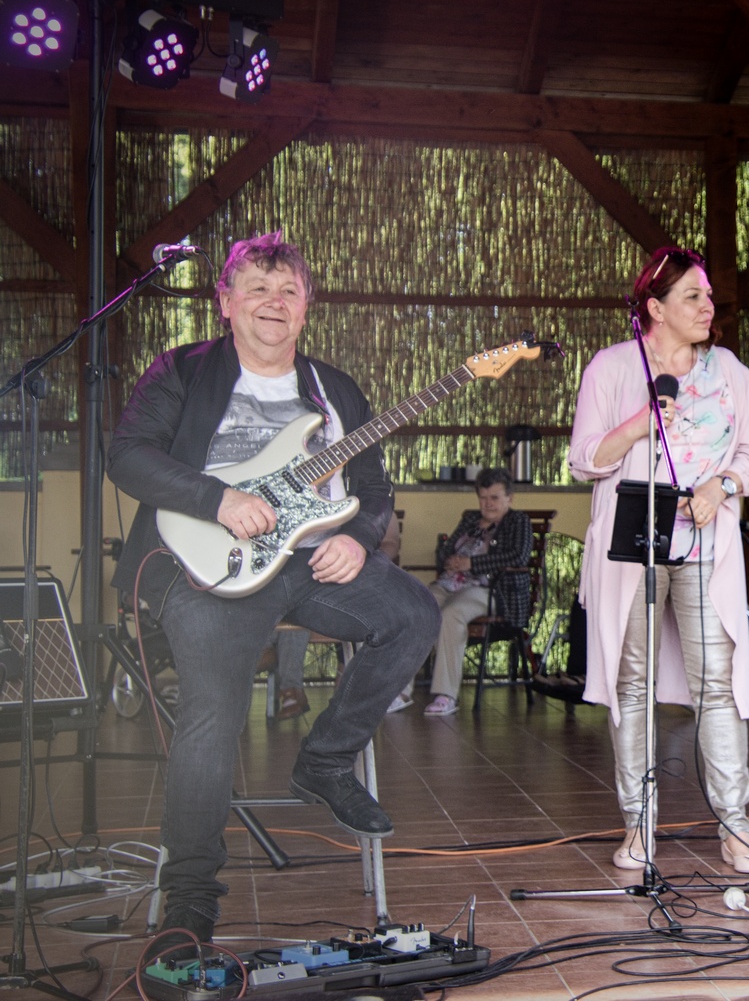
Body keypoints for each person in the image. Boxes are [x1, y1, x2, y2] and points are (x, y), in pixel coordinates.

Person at [107, 232, 439, 942]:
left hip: (312, 562)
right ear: (225, 302)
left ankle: (325, 760)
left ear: (307, 307)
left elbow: (374, 486)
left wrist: (358, 537)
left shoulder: (334, 389)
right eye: (256, 287)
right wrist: (218, 500)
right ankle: (190, 898)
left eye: (289, 290)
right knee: (212, 714)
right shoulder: (183, 371)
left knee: (413, 613)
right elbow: (128, 456)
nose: (273, 301)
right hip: (210, 562)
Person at [568, 247, 749, 876]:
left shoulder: (729, 371)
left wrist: (723, 485)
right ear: (655, 309)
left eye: (708, 295)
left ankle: (736, 827)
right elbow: (584, 460)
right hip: (632, 545)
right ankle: (638, 826)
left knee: (717, 682)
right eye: (693, 296)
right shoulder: (610, 367)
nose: (708, 306)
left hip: (706, 543)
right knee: (632, 685)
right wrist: (638, 424)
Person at [393, 468, 532, 716]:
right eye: (483, 498)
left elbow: (518, 556)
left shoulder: (518, 521)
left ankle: (446, 696)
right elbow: (445, 549)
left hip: (491, 590)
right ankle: (400, 691)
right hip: (450, 584)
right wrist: (449, 560)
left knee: (451, 613)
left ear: (509, 498)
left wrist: (472, 564)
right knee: (419, 609)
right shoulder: (470, 519)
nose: (488, 504)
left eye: (494, 498)